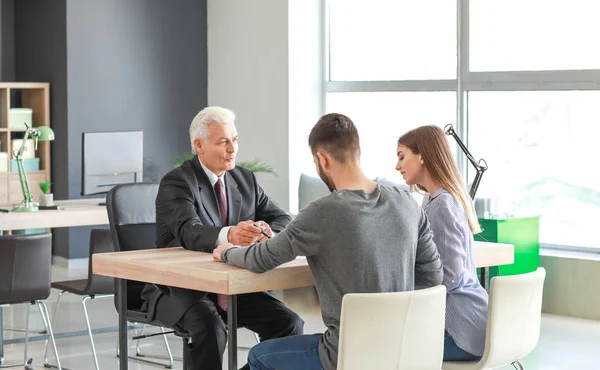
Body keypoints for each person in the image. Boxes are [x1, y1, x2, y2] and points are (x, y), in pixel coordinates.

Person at [213, 113, 444, 370]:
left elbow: (261, 259)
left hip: (344, 356)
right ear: (357, 151)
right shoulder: (408, 203)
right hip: (404, 351)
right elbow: (433, 277)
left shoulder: (322, 212)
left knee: (259, 356)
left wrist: (226, 251)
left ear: (322, 159)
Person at [143, 106, 304, 370]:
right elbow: (188, 231)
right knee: (211, 327)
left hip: (232, 285)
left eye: (235, 140)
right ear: (199, 145)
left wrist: (266, 231)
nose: (233, 149)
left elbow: (282, 218)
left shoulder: (244, 179)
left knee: (289, 324)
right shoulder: (177, 182)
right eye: (223, 142)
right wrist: (230, 234)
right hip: (182, 289)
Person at [395, 125, 488, 361]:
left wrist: (403, 281)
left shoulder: (442, 205)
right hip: (474, 323)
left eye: (402, 157)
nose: (397, 166)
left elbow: (451, 276)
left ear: (422, 156)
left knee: (384, 344)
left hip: (461, 332)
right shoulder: (438, 198)